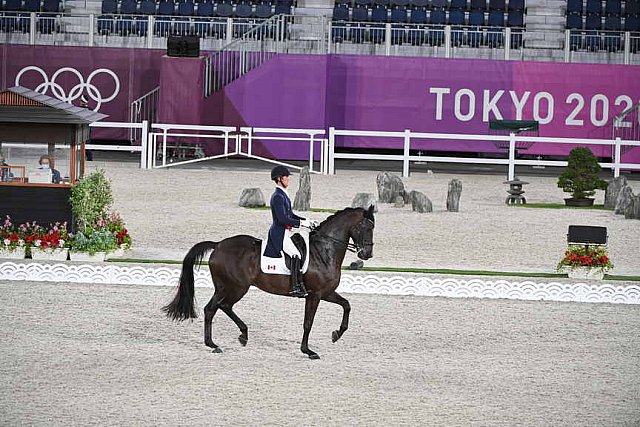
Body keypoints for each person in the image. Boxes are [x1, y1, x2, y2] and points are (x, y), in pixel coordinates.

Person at [264, 166, 317, 298]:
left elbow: (290, 214)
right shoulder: (277, 196)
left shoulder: (283, 194)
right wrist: (301, 224)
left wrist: (306, 220)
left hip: (285, 231)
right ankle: (295, 286)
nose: (288, 179)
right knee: (295, 254)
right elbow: (282, 219)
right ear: (279, 179)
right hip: (279, 233)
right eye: (286, 177)